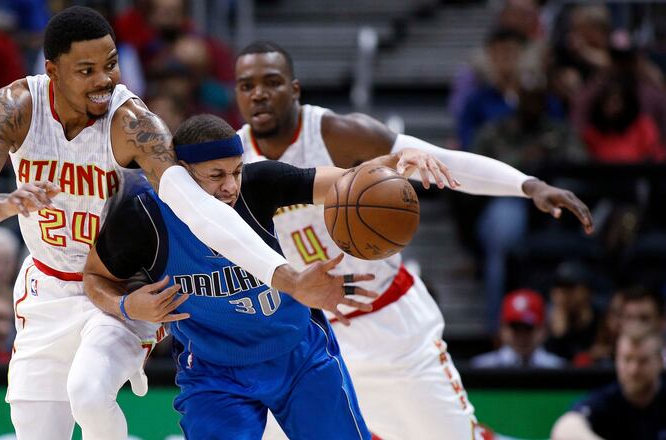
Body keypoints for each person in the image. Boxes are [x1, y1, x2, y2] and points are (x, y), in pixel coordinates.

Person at [0, 7, 365, 439]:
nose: (104, 81)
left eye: (111, 64)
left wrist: (286, 278)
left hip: (119, 285)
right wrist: (7, 202)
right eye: (86, 70)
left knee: (88, 394)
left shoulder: (134, 124)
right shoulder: (16, 108)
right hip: (46, 287)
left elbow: (200, 211)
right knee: (35, 431)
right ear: (52, 70)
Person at [233, 41, 594, 440]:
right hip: (308, 334)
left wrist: (527, 185)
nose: (259, 94)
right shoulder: (232, 161)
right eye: (246, 85)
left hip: (390, 326)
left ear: (295, 89)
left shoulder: (338, 134)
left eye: (271, 82)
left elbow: (442, 162)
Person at [83, 113, 446, 438]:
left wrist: (398, 163)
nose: (230, 186)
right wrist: (127, 305)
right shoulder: (142, 217)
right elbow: (94, 278)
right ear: (179, 173)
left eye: (236, 171)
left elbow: (347, 182)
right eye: (216, 175)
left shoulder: (259, 184)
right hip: (214, 373)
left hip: (298, 354)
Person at [551, 326, 666, 440]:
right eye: (627, 359)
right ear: (616, 360)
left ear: (660, 361)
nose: (633, 370)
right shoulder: (606, 400)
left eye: (643, 361)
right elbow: (565, 427)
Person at [471, 289, 566, 368]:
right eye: (515, 328)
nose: (522, 336)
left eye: (528, 328)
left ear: (543, 330)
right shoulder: (480, 367)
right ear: (502, 329)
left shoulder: (560, 367)